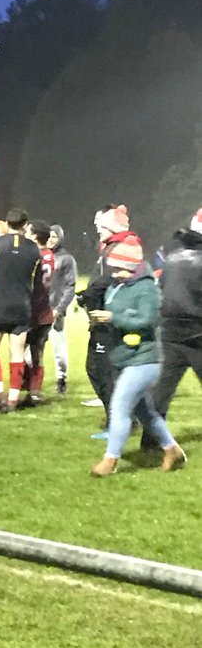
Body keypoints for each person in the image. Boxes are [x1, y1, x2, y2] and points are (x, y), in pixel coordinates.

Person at [88, 238, 185, 476]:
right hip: (122, 356)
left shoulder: (147, 288)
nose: (116, 273)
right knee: (146, 413)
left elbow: (147, 321)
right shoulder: (116, 285)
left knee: (119, 408)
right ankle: (173, 450)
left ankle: (110, 461)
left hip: (144, 360)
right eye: (114, 268)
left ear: (133, 267)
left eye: (120, 268)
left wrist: (113, 318)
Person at [0, 208, 40, 414]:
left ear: (7, 223)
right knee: (17, 353)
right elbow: (36, 281)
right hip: (22, 307)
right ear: (25, 225)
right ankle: (12, 399)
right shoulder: (34, 250)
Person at [81, 204, 140, 425]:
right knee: (102, 370)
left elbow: (117, 280)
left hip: (109, 320)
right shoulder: (110, 246)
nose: (98, 228)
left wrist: (93, 293)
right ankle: (122, 418)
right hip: (103, 318)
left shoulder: (120, 247)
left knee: (102, 371)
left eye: (102, 224)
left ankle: (121, 420)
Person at [148, 208, 202, 423]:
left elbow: (161, 291)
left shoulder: (172, 258)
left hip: (169, 334)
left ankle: (151, 443)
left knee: (159, 395)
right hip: (198, 334)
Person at [24, 221, 56, 405]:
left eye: (28, 232)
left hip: (32, 310)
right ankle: (34, 389)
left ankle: (28, 387)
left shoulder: (33, 255)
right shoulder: (49, 255)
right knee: (37, 353)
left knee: (19, 351)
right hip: (45, 310)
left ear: (35, 236)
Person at [47, 224, 78, 394]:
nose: (51, 240)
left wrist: (60, 308)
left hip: (55, 309)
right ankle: (29, 379)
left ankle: (61, 378)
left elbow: (70, 286)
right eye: (49, 236)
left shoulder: (66, 259)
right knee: (30, 348)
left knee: (58, 346)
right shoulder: (41, 255)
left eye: (54, 237)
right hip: (39, 309)